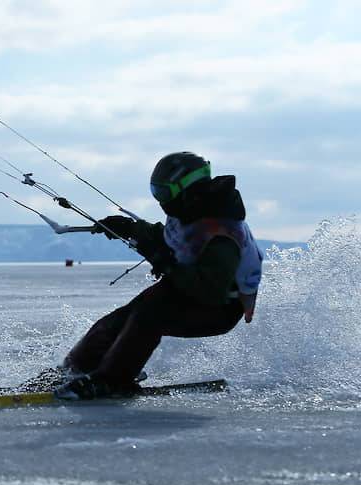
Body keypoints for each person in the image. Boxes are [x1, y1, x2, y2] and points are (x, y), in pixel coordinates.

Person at [54, 152, 263, 400]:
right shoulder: (190, 211)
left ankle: (113, 380)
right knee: (117, 321)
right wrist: (130, 229)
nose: (160, 201)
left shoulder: (222, 235)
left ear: (187, 189)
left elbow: (210, 289)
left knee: (148, 317)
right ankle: (73, 370)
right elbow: (171, 238)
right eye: (156, 192)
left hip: (219, 308)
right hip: (183, 290)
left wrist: (167, 264)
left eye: (163, 194)